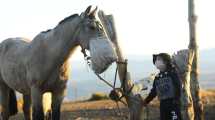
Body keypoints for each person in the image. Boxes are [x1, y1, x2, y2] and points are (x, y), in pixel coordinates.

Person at [142, 53, 182, 120]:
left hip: (173, 103)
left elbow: (178, 86)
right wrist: (146, 101)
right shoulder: (157, 77)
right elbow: (154, 91)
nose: (156, 61)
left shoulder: (172, 73)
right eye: (156, 60)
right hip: (163, 104)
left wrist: (177, 99)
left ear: (165, 62)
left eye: (159, 59)